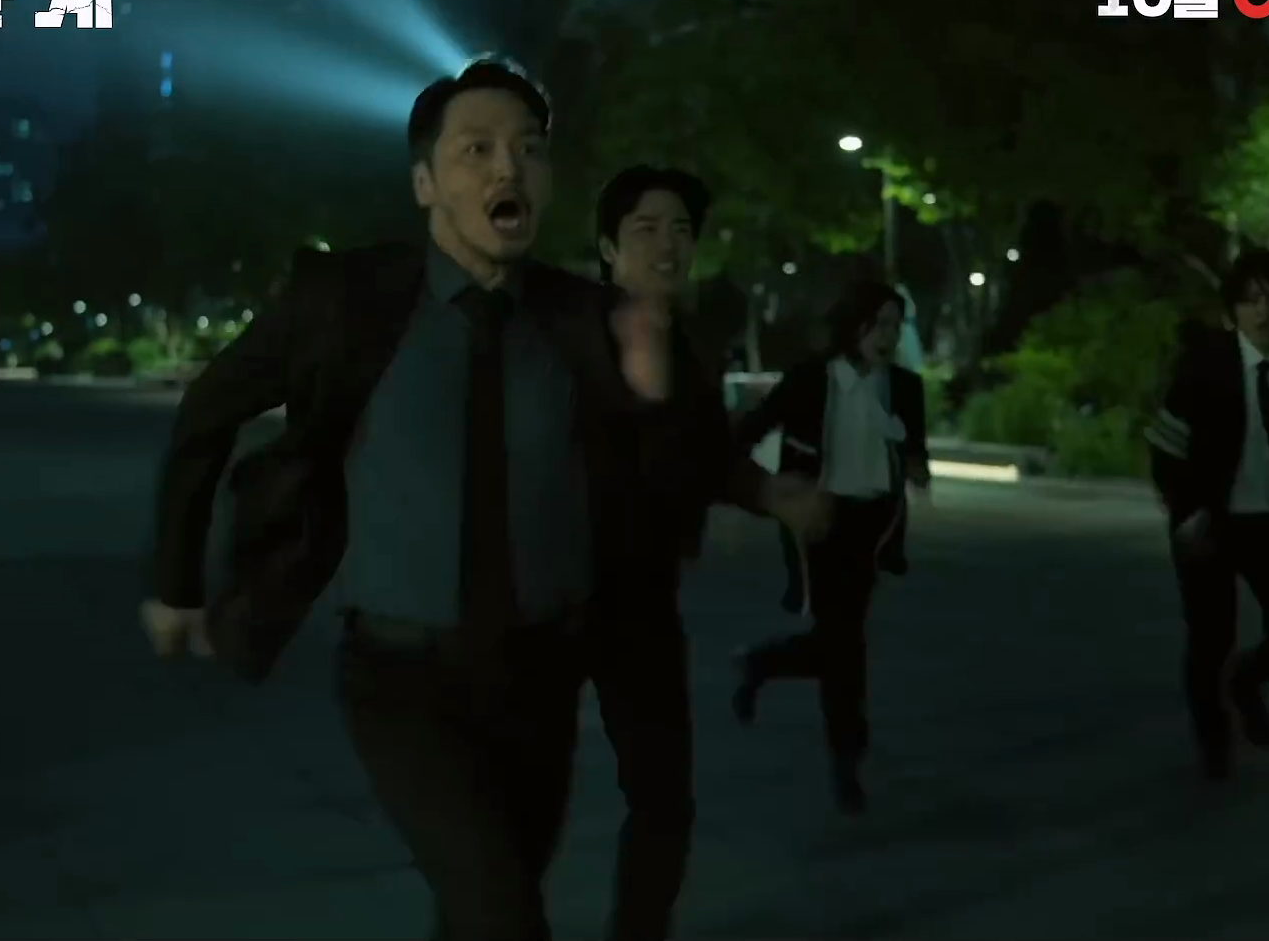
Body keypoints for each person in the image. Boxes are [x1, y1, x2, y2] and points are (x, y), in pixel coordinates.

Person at [140, 58, 715, 940]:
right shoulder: (348, 303)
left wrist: (653, 392)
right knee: (504, 919)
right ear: (423, 183)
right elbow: (206, 416)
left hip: (542, 678)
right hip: (402, 681)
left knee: (479, 909)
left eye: (529, 149)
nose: (507, 168)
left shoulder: (584, 320)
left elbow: (668, 493)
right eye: (476, 149)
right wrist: (176, 581)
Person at [587, 164, 828, 939]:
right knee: (515, 803)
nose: (667, 245)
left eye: (681, 230)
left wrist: (770, 494)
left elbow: (703, 456)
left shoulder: (691, 343)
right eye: (646, 230)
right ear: (607, 247)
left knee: (663, 799)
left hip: (643, 602)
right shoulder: (570, 334)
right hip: (555, 594)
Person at [729, 280, 931, 814]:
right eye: (878, 324)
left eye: (895, 326)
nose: (887, 336)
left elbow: (915, 451)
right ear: (854, 325)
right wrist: (764, 490)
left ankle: (761, 663)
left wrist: (917, 467)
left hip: (873, 526)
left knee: (840, 640)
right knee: (846, 643)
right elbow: (750, 431)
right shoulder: (812, 379)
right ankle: (847, 759)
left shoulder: (904, 387)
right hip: (820, 520)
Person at [1144, 249, 1269, 782]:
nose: (1263, 312)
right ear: (1233, 309)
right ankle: (1213, 741)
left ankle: (1246, 682)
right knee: (1210, 638)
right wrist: (1185, 511)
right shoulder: (1206, 362)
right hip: (1210, 520)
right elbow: (1166, 444)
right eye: (1251, 300)